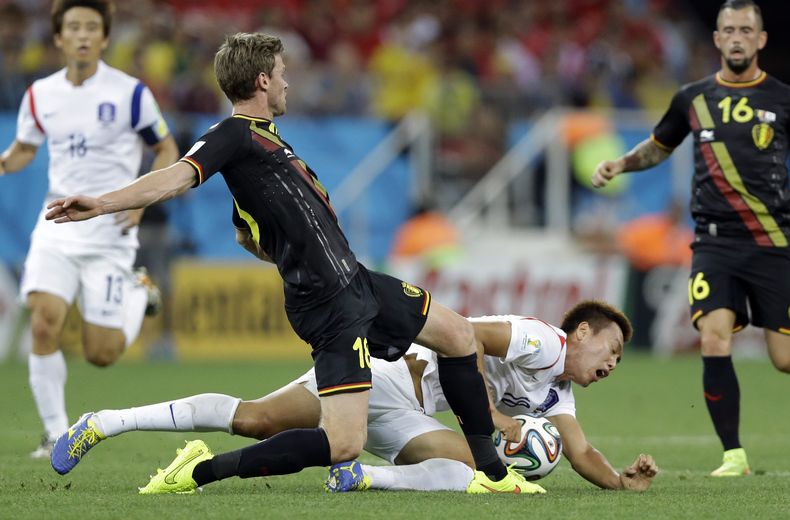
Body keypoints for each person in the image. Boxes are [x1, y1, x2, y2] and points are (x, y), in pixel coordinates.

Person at [45, 32, 533, 494]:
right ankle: (199, 471)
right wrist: (105, 203)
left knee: (459, 337)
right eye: (280, 73)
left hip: (357, 281)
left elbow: (246, 235)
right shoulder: (234, 134)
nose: (286, 82)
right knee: (343, 444)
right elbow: (175, 177)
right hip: (327, 302)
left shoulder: (269, 144)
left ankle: (493, 474)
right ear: (261, 81)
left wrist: (279, 243)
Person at [51, 300, 658, 493]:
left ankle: (361, 478)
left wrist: (625, 483)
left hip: (410, 414)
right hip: (390, 374)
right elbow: (467, 338)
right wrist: (495, 416)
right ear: (581, 332)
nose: (612, 364)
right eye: (611, 350)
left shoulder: (558, 393)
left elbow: (579, 453)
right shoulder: (543, 341)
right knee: (259, 418)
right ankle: (107, 420)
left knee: (484, 471)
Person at [591, 0, 790, 477]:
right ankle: (733, 456)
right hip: (714, 243)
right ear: (717, 39)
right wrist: (622, 163)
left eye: (746, 29)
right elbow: (660, 146)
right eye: (729, 29)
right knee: (713, 338)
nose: (738, 36)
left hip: (772, 242)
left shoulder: (782, 98)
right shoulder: (692, 99)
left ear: (761, 40)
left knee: (783, 360)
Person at [0, 0, 179, 458]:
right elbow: (24, 148)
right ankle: (57, 435)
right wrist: (4, 163)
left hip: (108, 228)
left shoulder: (131, 93)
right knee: (44, 324)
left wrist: (139, 204)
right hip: (57, 222)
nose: (82, 35)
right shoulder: (40, 94)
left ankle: (140, 290)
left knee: (102, 353)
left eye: (91, 27)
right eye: (73, 26)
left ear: (104, 37)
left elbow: (166, 150)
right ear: (58, 37)